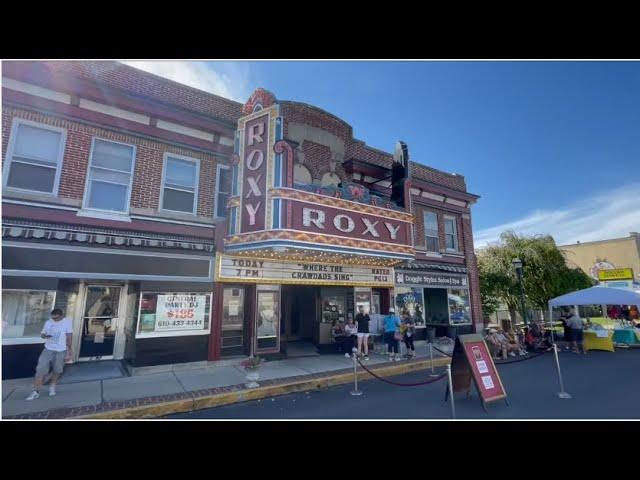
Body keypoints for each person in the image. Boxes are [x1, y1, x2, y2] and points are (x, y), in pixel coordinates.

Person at [26, 308, 73, 401]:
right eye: (53, 318)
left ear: (61, 316)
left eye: (56, 318)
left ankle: (53, 385)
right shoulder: (48, 322)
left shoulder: (67, 322)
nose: (54, 320)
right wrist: (45, 336)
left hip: (61, 350)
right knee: (40, 370)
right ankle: (36, 392)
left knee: (57, 370)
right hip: (48, 349)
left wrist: (69, 350)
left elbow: (69, 336)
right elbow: (42, 334)